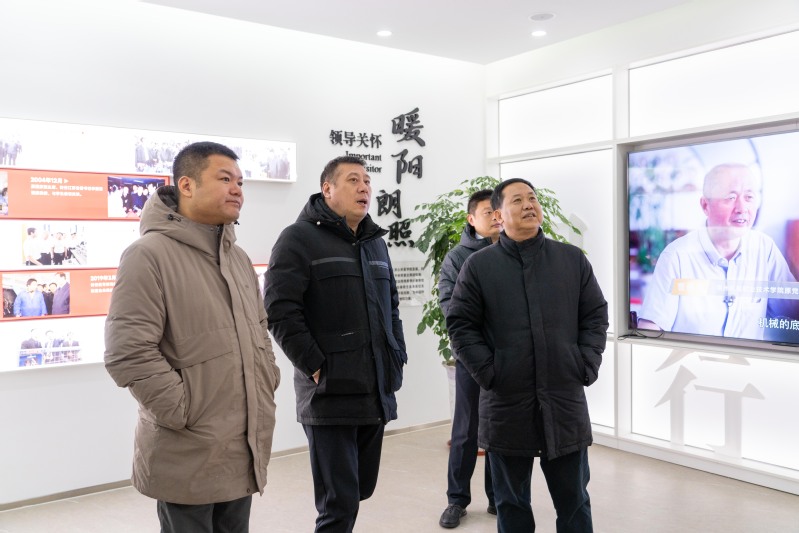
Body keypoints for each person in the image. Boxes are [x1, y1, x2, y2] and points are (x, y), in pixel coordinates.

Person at [104, 141, 280, 533]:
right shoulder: (148, 254)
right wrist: (181, 410)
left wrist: (268, 376)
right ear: (186, 185)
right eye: (225, 179)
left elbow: (259, 329)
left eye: (240, 182)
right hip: (187, 446)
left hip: (242, 443)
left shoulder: (238, 259)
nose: (237, 189)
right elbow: (127, 352)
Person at [447, 178, 608, 532]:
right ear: (498, 216)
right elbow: (461, 325)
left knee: (574, 501)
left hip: (563, 400)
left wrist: (585, 362)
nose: (529, 205)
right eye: (517, 200)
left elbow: (595, 315)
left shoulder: (570, 259)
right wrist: (490, 372)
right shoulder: (479, 266)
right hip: (506, 403)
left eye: (532, 198)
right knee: (511, 505)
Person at [264, 155, 407, 533]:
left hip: (374, 388)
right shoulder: (298, 238)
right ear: (327, 189)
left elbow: (391, 305)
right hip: (328, 393)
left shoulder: (374, 242)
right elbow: (279, 310)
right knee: (338, 503)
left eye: (367, 181)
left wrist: (397, 354)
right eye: (353, 180)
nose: (364, 188)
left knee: (360, 490)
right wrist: (314, 365)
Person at [637, 163, 796, 339]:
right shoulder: (676, 256)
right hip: (689, 357)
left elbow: (793, 309)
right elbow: (650, 328)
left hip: (750, 358)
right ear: (705, 205)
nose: (742, 208)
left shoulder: (764, 248)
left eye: (749, 197)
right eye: (731, 197)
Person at [437, 189, 501, 529]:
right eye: (487, 212)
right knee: (466, 429)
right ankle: (457, 500)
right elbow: (450, 306)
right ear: (471, 219)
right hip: (471, 356)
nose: (495, 216)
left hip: (508, 356)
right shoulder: (457, 257)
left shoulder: (513, 250)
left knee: (501, 429)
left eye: (497, 211)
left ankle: (497, 497)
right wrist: (476, 342)